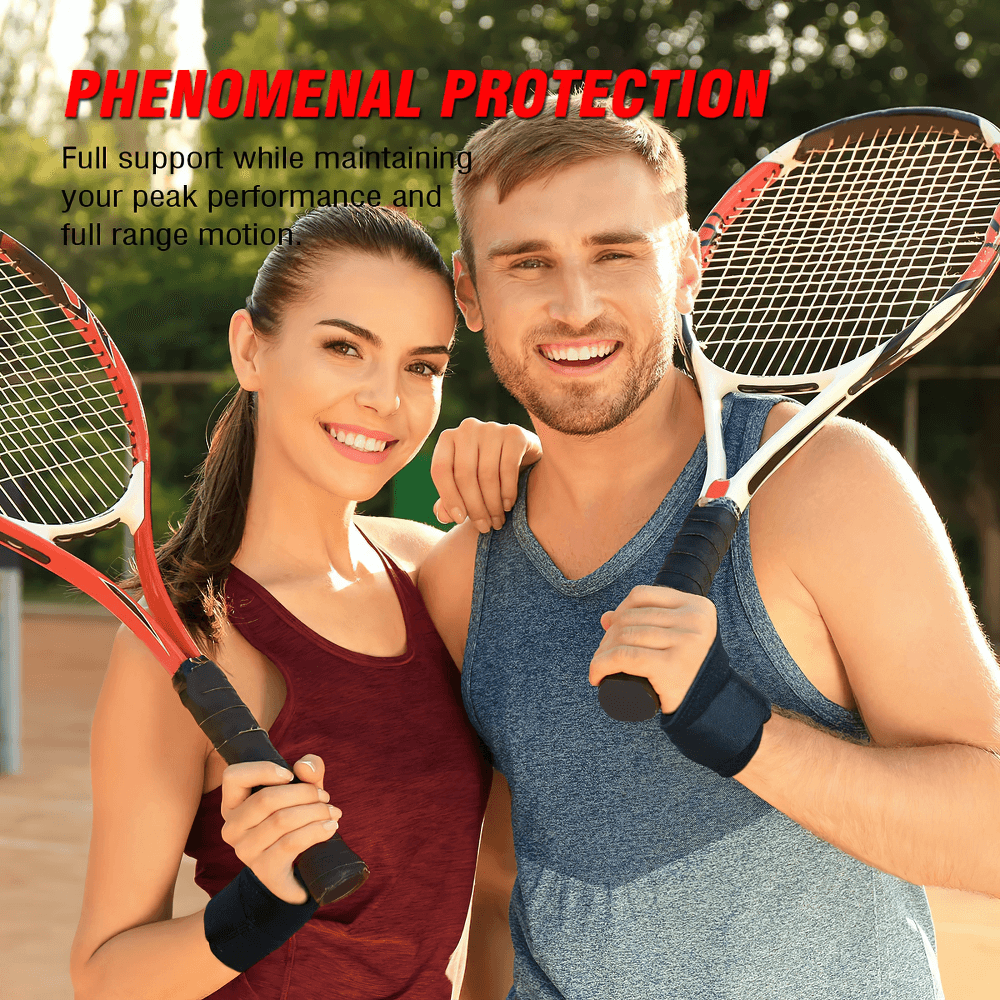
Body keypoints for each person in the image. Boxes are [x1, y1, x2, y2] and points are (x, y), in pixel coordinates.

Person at [420, 99, 1000, 999]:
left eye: (615, 253)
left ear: (688, 266)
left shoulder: (828, 489)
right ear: (468, 293)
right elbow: (498, 884)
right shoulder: (462, 574)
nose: (575, 306)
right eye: (527, 263)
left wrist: (741, 729)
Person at [69, 204, 539, 1000]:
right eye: (344, 347)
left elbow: (497, 884)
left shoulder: (433, 571)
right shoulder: (187, 641)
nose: (386, 398)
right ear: (252, 349)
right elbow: (103, 975)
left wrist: (533, 462)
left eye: (421, 365)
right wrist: (261, 907)